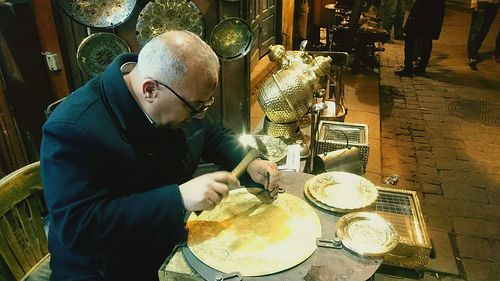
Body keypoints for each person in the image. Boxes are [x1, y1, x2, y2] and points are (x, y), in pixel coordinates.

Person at [40, 30, 280, 281]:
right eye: (196, 107)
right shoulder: (72, 128)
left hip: (163, 239)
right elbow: (79, 228)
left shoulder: (176, 93)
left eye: (205, 105)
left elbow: (211, 133)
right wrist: (178, 198)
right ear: (150, 90)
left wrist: (250, 161)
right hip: (105, 268)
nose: (200, 114)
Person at [394, 0, 445, 77]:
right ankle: (421, 67)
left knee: (411, 37)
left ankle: (409, 68)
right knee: (426, 38)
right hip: (434, 8)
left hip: (424, 7)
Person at [466, 0, 499, 70]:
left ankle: (474, 51)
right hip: (481, 2)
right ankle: (472, 55)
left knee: (485, 29)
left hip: (494, 3)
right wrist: (474, 1)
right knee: (476, 29)